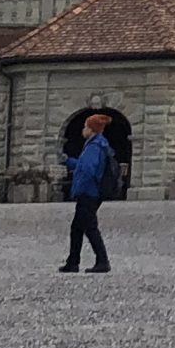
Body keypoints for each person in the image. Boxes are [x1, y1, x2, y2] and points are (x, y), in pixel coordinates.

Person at [59, 115, 117, 274]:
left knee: (89, 227)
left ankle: (102, 261)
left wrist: (79, 188)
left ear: (91, 130)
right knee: (77, 227)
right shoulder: (98, 145)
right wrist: (69, 161)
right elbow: (83, 166)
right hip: (92, 191)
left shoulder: (94, 147)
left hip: (89, 192)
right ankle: (73, 261)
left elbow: (87, 170)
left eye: (85, 126)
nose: (83, 129)